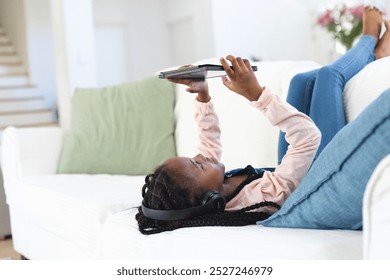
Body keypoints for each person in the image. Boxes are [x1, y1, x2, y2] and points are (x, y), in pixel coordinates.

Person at [136, 6, 390, 234]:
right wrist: (255, 94)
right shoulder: (261, 198)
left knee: (300, 81)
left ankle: (372, 54)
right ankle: (369, 42)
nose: (201, 157)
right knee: (329, 76)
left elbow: (208, 147)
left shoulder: (219, 191)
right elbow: (308, 138)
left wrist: (202, 94)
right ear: (209, 200)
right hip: (318, 173)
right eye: (198, 165)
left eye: (194, 158)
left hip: (291, 171)